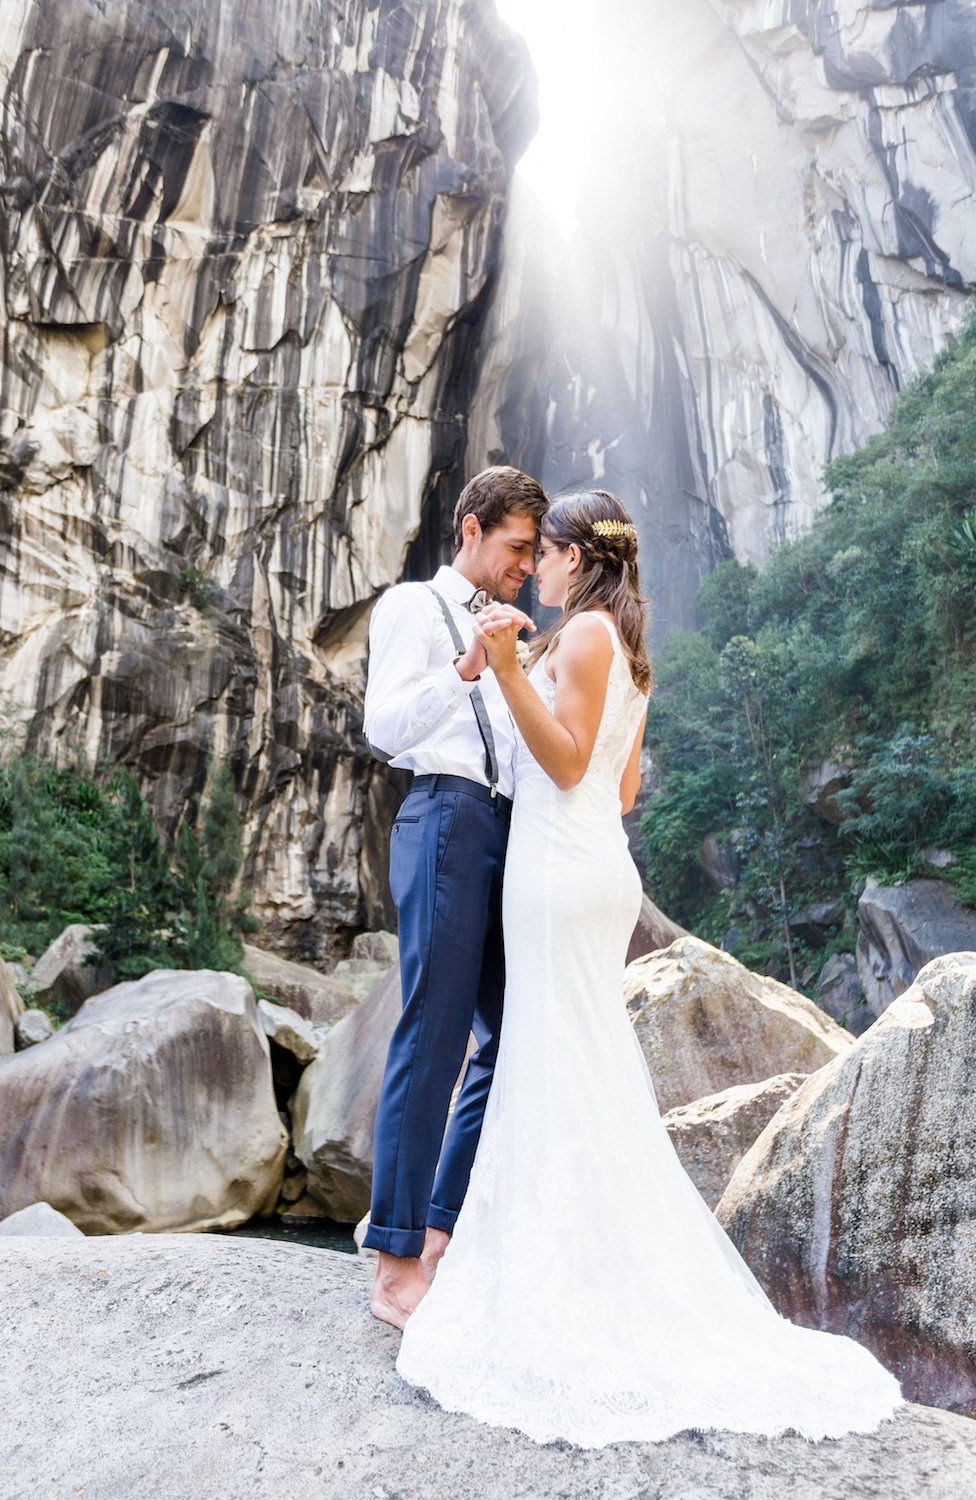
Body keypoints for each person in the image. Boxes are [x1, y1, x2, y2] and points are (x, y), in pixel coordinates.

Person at [395, 490, 903, 1446]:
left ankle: (554, 1278)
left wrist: (507, 667)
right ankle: (582, 1261)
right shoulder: (621, 648)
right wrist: (509, 666)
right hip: (593, 866)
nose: (531, 569)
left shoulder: (581, 636)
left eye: (542, 553)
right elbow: (620, 789)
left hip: (555, 872)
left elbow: (565, 759)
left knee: (553, 1061)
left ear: (576, 555)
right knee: (574, 1062)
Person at [361, 464, 550, 1329]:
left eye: (535, 552)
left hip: (502, 833)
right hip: (442, 818)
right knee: (430, 1037)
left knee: (515, 1033)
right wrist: (468, 668)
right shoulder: (411, 607)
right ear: (471, 530)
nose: (527, 565)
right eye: (516, 547)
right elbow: (384, 729)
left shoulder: (513, 627)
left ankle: (438, 1232)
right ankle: (394, 1268)